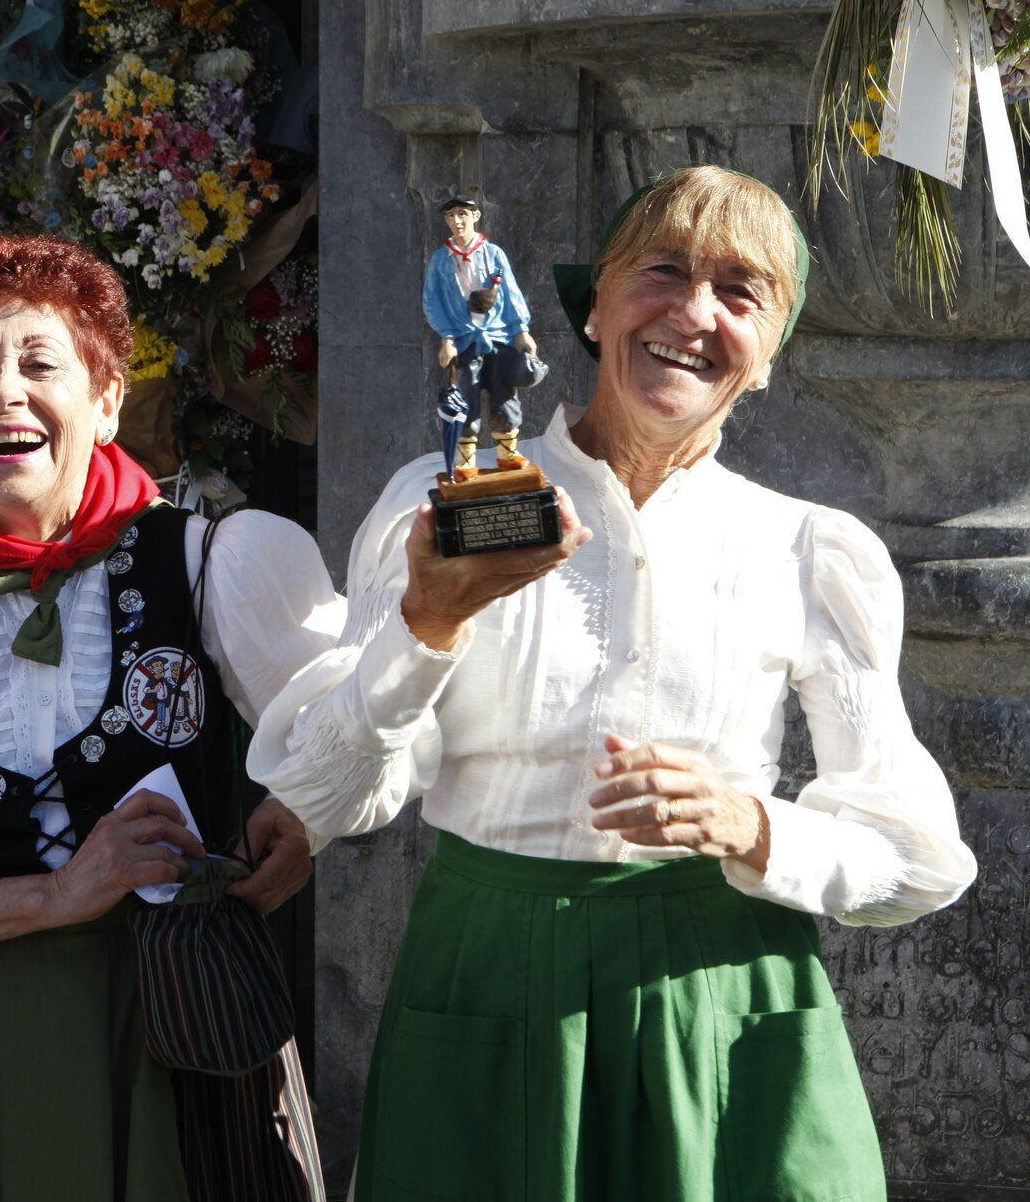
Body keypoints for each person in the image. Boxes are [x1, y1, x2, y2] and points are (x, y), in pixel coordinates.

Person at [253, 166, 977, 1201]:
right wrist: (429, 619)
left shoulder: (807, 549)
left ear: (768, 355)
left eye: (741, 292)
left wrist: (750, 825)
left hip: (723, 1002)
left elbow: (916, 858)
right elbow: (331, 794)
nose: (692, 312)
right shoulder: (445, 499)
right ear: (590, 306)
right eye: (662, 272)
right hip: (489, 976)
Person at [0, 233, 344, 1202]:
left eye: (39, 363)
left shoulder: (214, 563)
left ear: (107, 398)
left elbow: (358, 729)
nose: (2, 390)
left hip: (178, 1050)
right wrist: (48, 897)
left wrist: (308, 809)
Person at [423, 193, 538, 477]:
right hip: (463, 341)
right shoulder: (440, 261)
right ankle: (465, 460)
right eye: (451, 216)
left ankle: (508, 454)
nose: (457, 221)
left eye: (462, 214)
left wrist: (521, 331)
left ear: (475, 216)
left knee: (504, 397)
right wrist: (447, 338)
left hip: (497, 338)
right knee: (465, 399)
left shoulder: (493, 254)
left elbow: (510, 292)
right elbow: (432, 301)